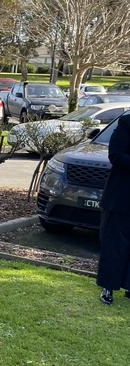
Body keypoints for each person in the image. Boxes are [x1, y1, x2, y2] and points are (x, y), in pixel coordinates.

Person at [97, 114, 130, 305]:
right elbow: (115, 155)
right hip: (121, 196)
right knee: (114, 244)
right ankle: (108, 287)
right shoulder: (126, 123)